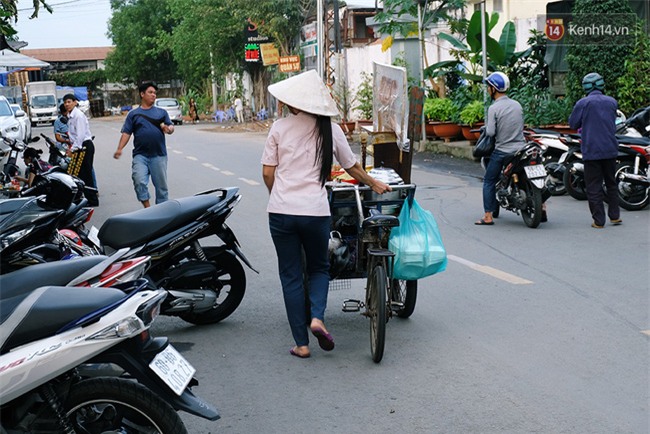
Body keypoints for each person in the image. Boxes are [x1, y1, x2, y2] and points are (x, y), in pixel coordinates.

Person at [261, 70, 391, 359]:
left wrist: (277, 194)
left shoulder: (280, 128)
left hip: (282, 213)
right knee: (319, 268)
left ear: (294, 103)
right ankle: (317, 317)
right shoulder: (331, 129)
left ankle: (301, 344)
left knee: (292, 275)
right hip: (316, 212)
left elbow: (268, 172)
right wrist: (374, 183)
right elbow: (351, 167)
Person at [474, 71, 541, 226]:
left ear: (494, 89)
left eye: (488, 87)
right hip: (521, 149)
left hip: (502, 151)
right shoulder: (516, 105)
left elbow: (490, 132)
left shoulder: (494, 108)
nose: (487, 90)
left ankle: (488, 216)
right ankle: (542, 207)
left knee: (489, 181)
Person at [568, 72, 621, 228]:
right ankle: (615, 216)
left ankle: (599, 220)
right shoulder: (612, 102)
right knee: (611, 183)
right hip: (610, 148)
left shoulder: (583, 103)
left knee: (594, 185)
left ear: (585, 86)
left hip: (591, 150)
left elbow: (573, 124)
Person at [114, 81, 175, 208]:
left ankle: (161, 212)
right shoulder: (133, 114)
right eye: (150, 92)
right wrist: (119, 149)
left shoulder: (161, 113)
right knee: (139, 180)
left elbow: (171, 127)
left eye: (155, 93)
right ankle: (148, 209)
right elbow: (126, 133)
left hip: (159, 155)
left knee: (161, 187)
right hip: (140, 155)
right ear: (142, 94)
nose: (153, 95)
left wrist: (169, 129)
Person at [64, 93, 99, 207]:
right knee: (78, 174)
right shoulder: (70, 116)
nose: (67, 104)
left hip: (84, 146)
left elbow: (80, 135)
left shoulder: (78, 115)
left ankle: (92, 200)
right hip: (78, 147)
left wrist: (72, 150)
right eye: (65, 102)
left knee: (86, 173)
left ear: (75, 102)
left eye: (69, 102)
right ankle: (79, 198)